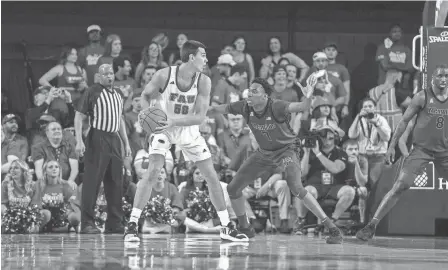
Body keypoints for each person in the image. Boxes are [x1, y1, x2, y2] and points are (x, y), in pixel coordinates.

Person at [124, 40, 249, 242]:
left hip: (187, 129)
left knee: (211, 176)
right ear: (192, 57)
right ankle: (132, 225)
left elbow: (199, 118)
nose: (207, 59)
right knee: (153, 171)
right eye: (203, 55)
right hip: (163, 128)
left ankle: (226, 226)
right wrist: (147, 113)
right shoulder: (164, 75)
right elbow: (145, 96)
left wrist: (171, 120)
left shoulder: (204, 81)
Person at [208, 76, 343, 244]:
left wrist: (308, 96)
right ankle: (245, 228)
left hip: (287, 151)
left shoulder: (276, 106)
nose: (250, 93)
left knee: (296, 188)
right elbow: (219, 108)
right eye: (249, 90)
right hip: (264, 153)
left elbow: (301, 106)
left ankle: (332, 228)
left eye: (254, 91)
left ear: (265, 96)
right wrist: (199, 110)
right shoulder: (244, 106)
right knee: (233, 188)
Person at [356, 64, 448, 241]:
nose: (443, 79)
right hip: (422, 150)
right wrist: (392, 146)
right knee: (399, 186)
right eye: (440, 76)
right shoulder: (422, 96)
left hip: (445, 152)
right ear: (432, 78)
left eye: (446, 76)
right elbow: (404, 122)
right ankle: (371, 225)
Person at [74, 64, 132, 234]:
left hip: (114, 138)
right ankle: (87, 223)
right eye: (105, 74)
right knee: (93, 181)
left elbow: (120, 119)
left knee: (116, 181)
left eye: (111, 73)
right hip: (97, 137)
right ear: (98, 76)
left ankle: (114, 222)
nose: (109, 77)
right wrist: (79, 140)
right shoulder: (93, 91)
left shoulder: (119, 94)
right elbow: (79, 115)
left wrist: (126, 143)